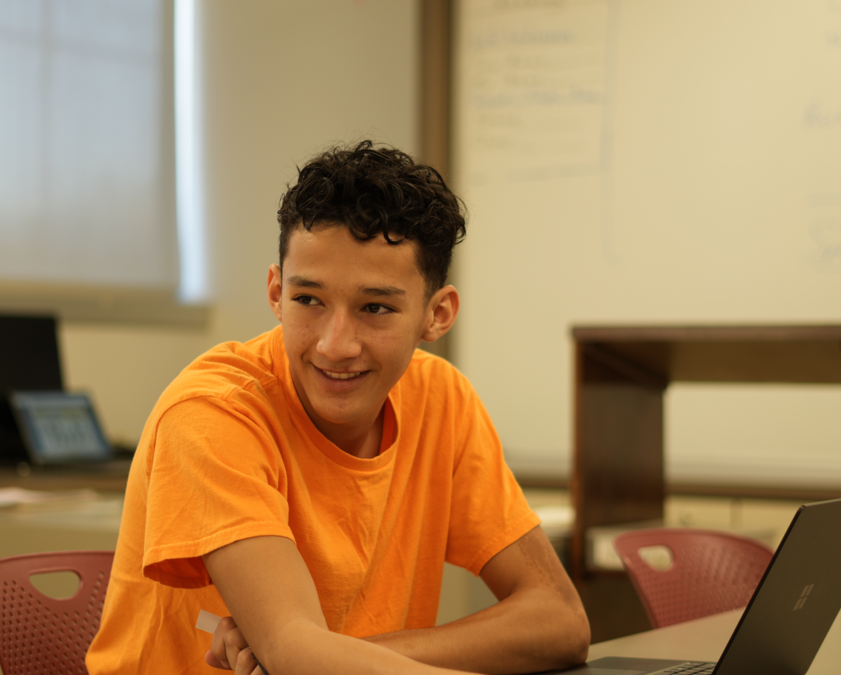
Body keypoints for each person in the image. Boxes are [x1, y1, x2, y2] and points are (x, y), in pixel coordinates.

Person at [86, 141, 589, 675]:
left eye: (375, 307)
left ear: (436, 315)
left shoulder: (442, 400)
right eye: (309, 300)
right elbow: (294, 652)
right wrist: (302, 653)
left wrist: (335, 655)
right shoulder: (213, 413)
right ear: (277, 293)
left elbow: (559, 618)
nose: (335, 344)